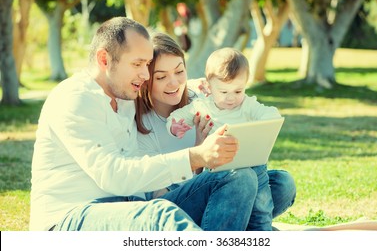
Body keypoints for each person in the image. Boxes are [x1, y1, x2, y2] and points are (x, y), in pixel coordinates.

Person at [29, 17, 258, 231]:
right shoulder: (75, 98)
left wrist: (208, 86)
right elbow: (113, 175)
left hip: (131, 207)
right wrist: (195, 156)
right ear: (104, 59)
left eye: (147, 65)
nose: (146, 75)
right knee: (161, 216)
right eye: (138, 64)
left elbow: (172, 85)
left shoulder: (125, 94)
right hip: (71, 218)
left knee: (237, 177)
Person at [136, 32, 296, 231]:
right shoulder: (142, 126)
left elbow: (220, 82)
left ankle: (234, 222)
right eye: (161, 77)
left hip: (224, 182)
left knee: (282, 183)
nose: (174, 83)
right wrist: (198, 155)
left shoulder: (204, 98)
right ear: (145, 79)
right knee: (241, 178)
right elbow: (158, 198)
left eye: (179, 71)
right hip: (176, 201)